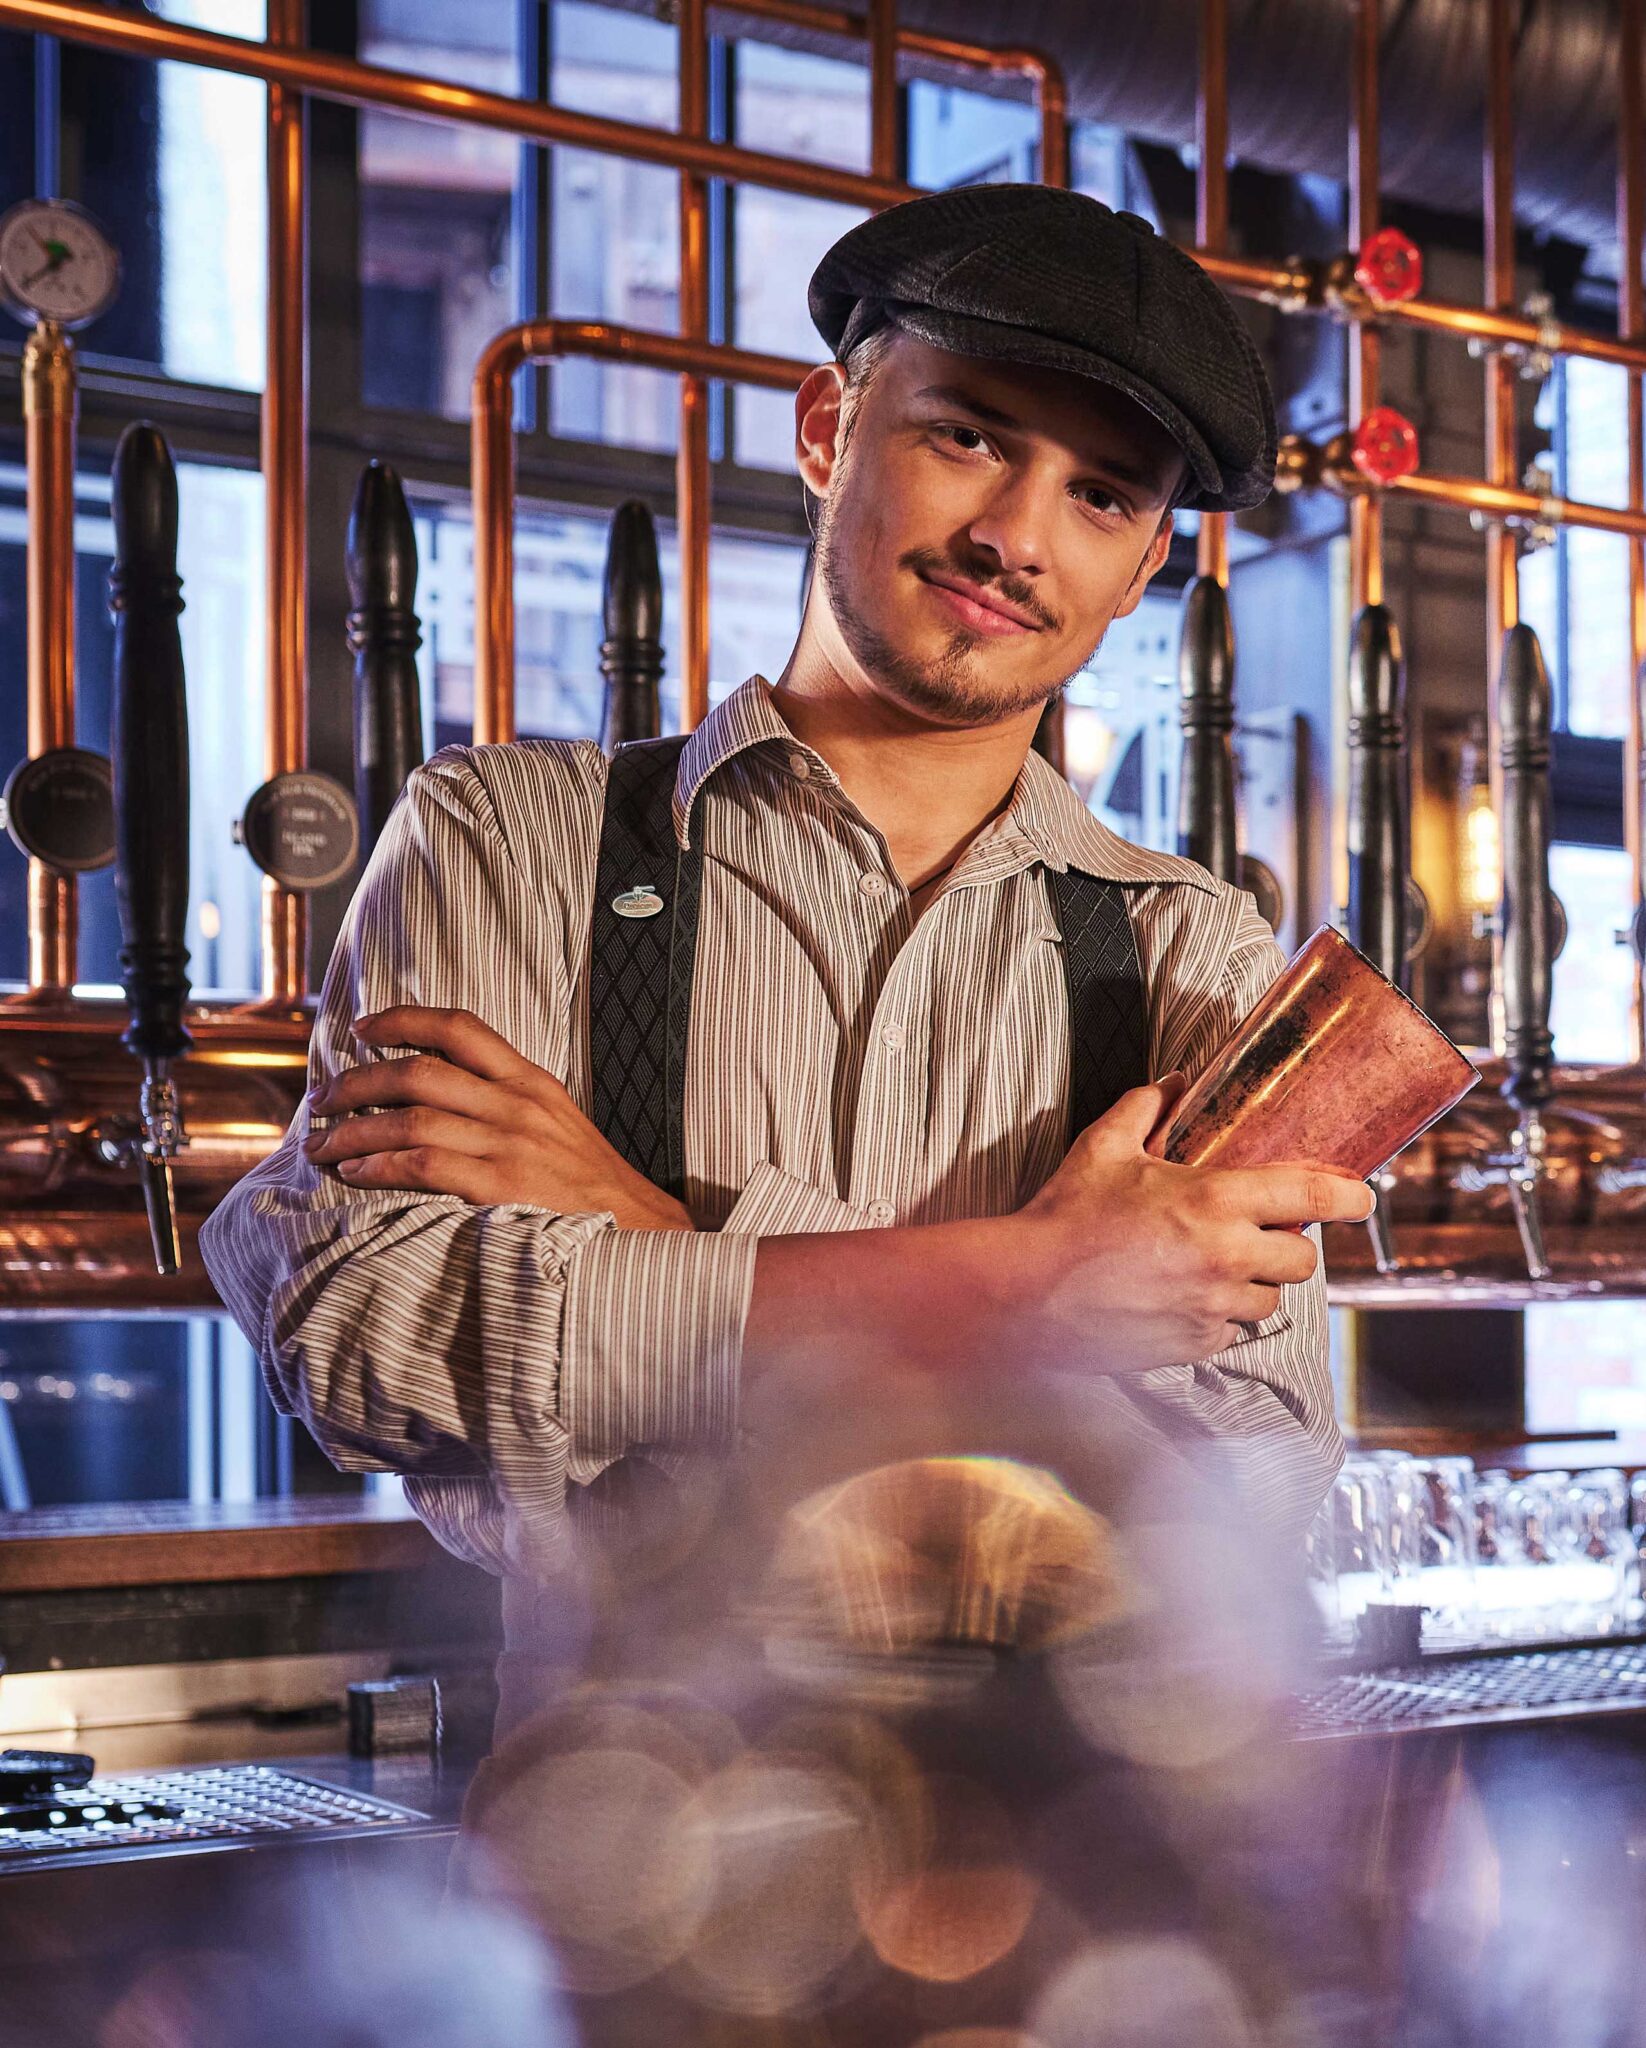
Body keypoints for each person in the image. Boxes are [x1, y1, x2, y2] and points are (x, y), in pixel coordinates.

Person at [201, 184, 1371, 1634]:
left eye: (1102, 494)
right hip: (621, 1813)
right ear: (829, 430)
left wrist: (646, 1226)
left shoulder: (1192, 948)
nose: (1017, 535)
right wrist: (1023, 1294)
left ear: (1141, 566)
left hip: (1053, 1825)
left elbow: (1232, 1505)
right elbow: (368, 1339)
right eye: (967, 435)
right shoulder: (508, 835)